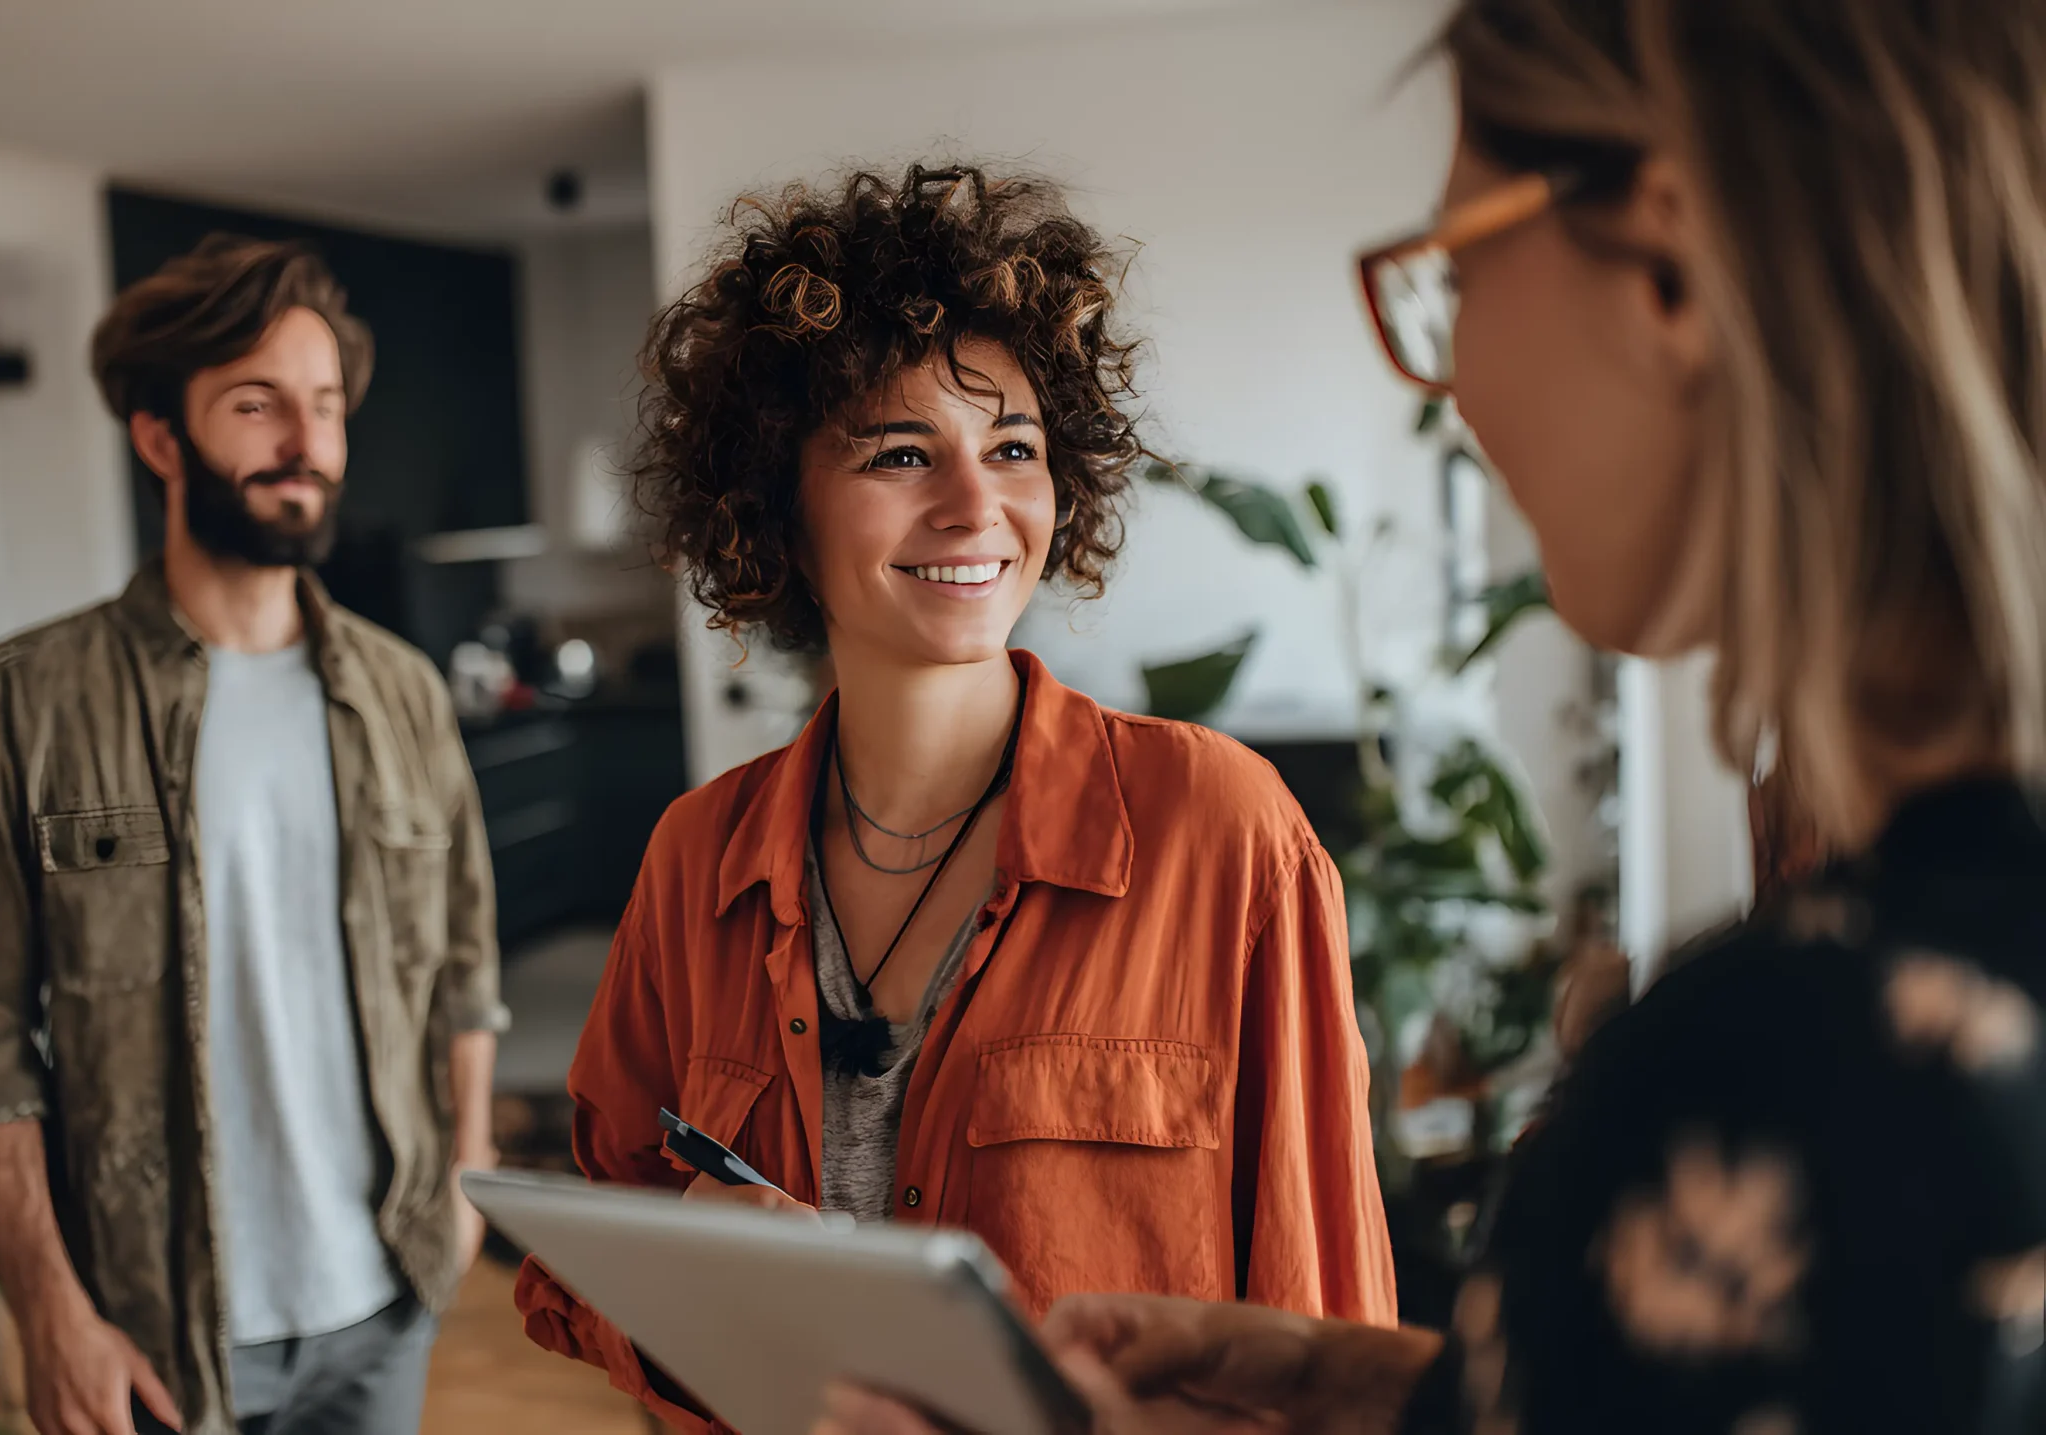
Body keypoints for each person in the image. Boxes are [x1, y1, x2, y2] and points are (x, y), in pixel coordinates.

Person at [817, 3, 2046, 1434]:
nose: (1449, 371)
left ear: (1669, 263)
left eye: (1453, 267)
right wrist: (1409, 1395)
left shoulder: (1774, 1066)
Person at [514, 165, 1396, 1431]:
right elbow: (584, 1251)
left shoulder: (1220, 828)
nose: (977, 506)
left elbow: (1325, 1315)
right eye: (900, 452)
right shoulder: (696, 856)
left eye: (1015, 449)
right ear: (779, 503)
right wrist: (711, 1279)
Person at [0, 235, 505, 1435]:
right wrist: (50, 1313)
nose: (306, 443)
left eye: (326, 406)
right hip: (147, 1326)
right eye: (257, 405)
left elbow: (463, 967)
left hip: (383, 1298)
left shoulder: (402, 694)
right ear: (158, 439)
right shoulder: (21, 703)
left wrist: (463, 1181)